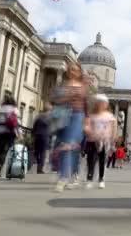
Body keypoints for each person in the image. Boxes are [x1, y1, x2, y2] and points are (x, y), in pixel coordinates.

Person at [51, 61, 88, 192]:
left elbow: (86, 105)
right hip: (62, 115)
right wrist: (65, 97)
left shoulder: (83, 87)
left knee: (68, 145)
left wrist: (87, 122)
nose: (73, 72)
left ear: (79, 73)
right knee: (62, 147)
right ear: (67, 71)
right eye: (71, 69)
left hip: (77, 116)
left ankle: (63, 178)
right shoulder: (62, 85)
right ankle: (66, 173)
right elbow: (53, 100)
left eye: (76, 70)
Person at [83, 94, 117, 189]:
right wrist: (87, 129)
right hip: (92, 141)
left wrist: (110, 137)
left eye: (102, 103)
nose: (100, 105)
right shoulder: (91, 115)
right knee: (91, 161)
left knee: (102, 161)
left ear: (106, 105)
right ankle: (89, 179)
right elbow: (87, 125)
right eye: (98, 103)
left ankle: (101, 179)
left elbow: (111, 128)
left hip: (104, 141)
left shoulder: (109, 116)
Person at [0, 95, 19, 179]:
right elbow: (16, 123)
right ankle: (4, 171)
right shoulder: (15, 110)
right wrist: (19, 134)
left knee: (0, 152)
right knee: (7, 151)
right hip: (10, 133)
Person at [32, 103, 52, 174]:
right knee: (43, 152)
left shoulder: (38, 116)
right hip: (45, 136)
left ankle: (39, 164)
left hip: (37, 135)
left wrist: (33, 135)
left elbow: (34, 126)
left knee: (37, 152)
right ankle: (40, 168)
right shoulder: (51, 117)